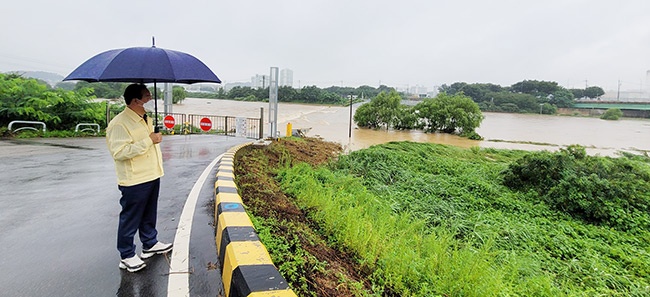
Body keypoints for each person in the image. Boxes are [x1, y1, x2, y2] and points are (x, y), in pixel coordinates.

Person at [106, 83, 172, 273]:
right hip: (134, 178)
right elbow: (119, 152)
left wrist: (153, 139)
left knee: (149, 213)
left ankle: (150, 243)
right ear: (136, 100)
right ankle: (126, 255)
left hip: (152, 173)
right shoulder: (119, 124)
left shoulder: (146, 119)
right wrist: (149, 140)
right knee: (131, 217)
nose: (150, 99)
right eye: (147, 96)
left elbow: (149, 143)